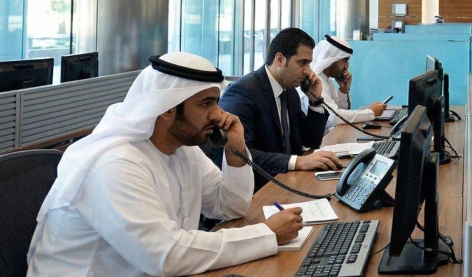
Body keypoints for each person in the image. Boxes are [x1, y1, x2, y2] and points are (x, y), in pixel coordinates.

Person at [27, 53, 304, 276]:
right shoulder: (115, 164)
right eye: (205, 104)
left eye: (216, 102)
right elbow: (166, 255)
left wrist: (236, 151)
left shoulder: (183, 150)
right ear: (167, 108)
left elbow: (229, 207)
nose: (218, 114)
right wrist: (266, 234)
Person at [220, 27, 340, 190]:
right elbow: (240, 154)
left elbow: (310, 141)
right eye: (302, 63)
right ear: (280, 59)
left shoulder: (290, 92)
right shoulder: (243, 92)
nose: (308, 71)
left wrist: (315, 101)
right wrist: (298, 161)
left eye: (309, 64)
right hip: (257, 188)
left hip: (287, 180)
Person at [303, 34, 386, 132]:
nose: (347, 66)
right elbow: (333, 118)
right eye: (345, 60)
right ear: (332, 59)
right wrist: (370, 113)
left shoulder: (328, 80)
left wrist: (343, 90)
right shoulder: (314, 81)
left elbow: (341, 111)